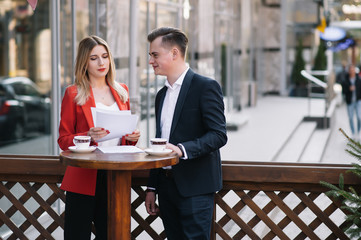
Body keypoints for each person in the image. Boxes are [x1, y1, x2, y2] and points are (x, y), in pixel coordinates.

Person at [144, 27, 227, 240]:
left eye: (155, 55)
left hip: (196, 188)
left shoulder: (205, 87)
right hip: (166, 187)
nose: (151, 61)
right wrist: (152, 186)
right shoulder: (161, 95)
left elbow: (218, 134)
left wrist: (182, 150)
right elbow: (159, 141)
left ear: (174, 53)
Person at [58, 35, 140, 240]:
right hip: (83, 175)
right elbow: (63, 140)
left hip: (115, 175)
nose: (101, 62)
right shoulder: (73, 93)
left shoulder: (122, 91)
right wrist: (87, 135)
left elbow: (122, 139)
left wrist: (132, 136)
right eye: (94, 58)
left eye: (105, 56)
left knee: (111, 234)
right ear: (84, 62)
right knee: (77, 235)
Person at [342, 64, 361, 139]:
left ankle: (358, 132)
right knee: (350, 117)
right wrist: (349, 89)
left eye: (353, 69)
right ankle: (353, 133)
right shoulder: (345, 80)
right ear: (349, 71)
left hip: (358, 101)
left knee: (359, 117)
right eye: (350, 70)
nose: (352, 71)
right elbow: (343, 92)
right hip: (350, 102)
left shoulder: (358, 79)